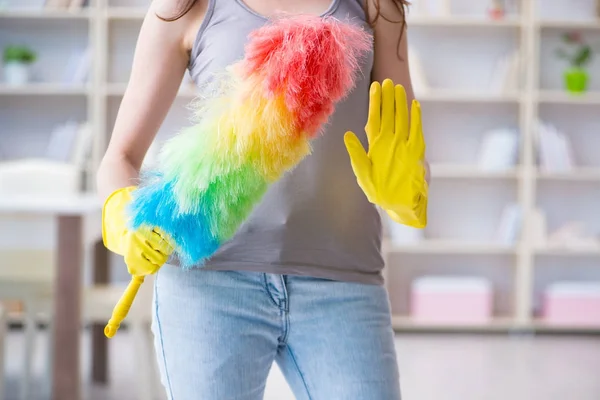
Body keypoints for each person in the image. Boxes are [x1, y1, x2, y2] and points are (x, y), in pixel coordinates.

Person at [96, 0, 430, 398]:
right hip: (209, 286)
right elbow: (120, 156)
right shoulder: (186, 7)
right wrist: (123, 219)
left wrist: (405, 195)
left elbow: (409, 149)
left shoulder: (376, 7)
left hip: (342, 281)